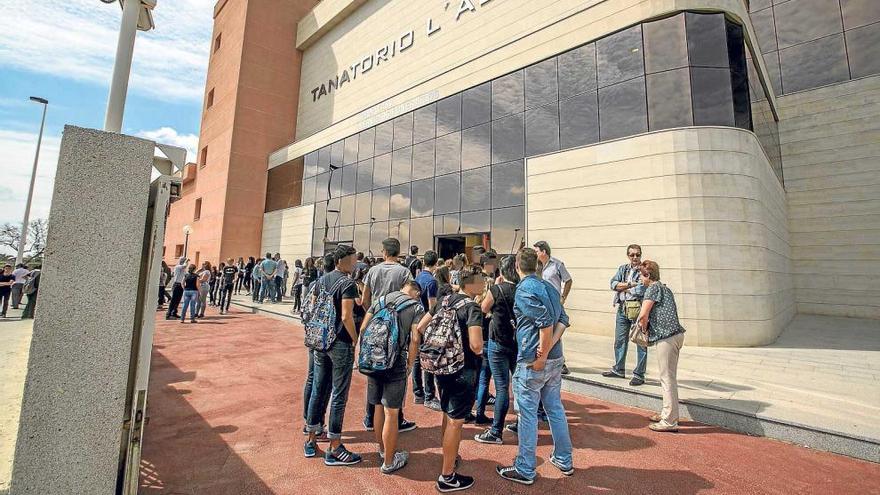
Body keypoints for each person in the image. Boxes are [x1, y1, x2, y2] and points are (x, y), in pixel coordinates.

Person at [496, 247, 573, 485]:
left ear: (518, 265)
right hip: (554, 358)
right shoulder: (550, 287)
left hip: (533, 360)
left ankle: (526, 467)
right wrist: (550, 348)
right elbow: (563, 320)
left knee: (527, 414)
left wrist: (541, 354)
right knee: (554, 409)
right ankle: (563, 458)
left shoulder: (524, 289)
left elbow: (544, 322)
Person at [414, 264, 485, 492]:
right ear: (470, 284)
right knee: (456, 421)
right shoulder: (473, 307)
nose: (484, 284)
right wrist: (482, 350)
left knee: (447, 414)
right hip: (463, 371)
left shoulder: (445, 301)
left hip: (442, 366)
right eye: (481, 280)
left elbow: (421, 326)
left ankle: (450, 457)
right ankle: (447, 476)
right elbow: (475, 345)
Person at [304, 245, 363, 466]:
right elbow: (347, 315)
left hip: (320, 340)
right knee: (339, 394)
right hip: (340, 342)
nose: (355, 262)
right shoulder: (347, 283)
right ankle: (335, 446)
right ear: (343, 260)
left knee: (318, 389)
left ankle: (311, 437)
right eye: (353, 259)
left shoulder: (321, 280)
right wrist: (356, 338)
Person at [361, 280, 425, 474]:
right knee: (392, 412)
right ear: (415, 292)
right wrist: (410, 363)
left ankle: (382, 450)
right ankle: (389, 461)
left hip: (374, 359)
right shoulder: (416, 307)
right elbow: (415, 338)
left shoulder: (381, 300)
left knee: (378, 407)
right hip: (395, 362)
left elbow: (364, 328)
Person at [361, 238, 417, 433]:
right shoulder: (404, 272)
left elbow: (364, 299)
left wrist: (373, 314)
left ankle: (370, 417)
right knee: (396, 372)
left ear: (384, 252)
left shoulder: (372, 270)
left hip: (375, 322)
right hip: (398, 325)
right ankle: (396, 418)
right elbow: (409, 297)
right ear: (398, 252)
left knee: (373, 368)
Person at [475, 255, 520, 445]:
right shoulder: (521, 290)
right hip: (517, 342)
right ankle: (520, 422)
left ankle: (496, 431)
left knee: (502, 387)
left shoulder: (497, 289)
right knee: (519, 386)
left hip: (497, 341)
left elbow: (482, 309)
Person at [638, 260, 686, 432]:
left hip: (666, 337)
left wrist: (643, 330)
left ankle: (669, 421)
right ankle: (668, 413)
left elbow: (643, 314)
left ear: (648, 275)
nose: (640, 279)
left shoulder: (652, 288)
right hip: (676, 335)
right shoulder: (665, 288)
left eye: (641, 275)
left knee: (667, 379)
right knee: (669, 377)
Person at [602, 244, 648, 386]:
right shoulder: (623, 268)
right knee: (620, 340)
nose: (635, 257)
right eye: (632, 255)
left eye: (637, 255)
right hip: (622, 308)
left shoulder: (645, 270)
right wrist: (631, 284)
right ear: (628, 255)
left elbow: (640, 290)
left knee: (640, 342)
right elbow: (612, 284)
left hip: (638, 309)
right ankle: (619, 369)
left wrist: (624, 287)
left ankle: (639, 375)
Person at [533, 241, 573, 375]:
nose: (535, 254)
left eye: (537, 251)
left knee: (557, 331)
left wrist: (563, 297)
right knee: (545, 330)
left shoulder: (557, 264)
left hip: (555, 302)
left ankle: (561, 362)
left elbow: (568, 280)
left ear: (544, 252)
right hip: (542, 302)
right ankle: (544, 356)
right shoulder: (536, 267)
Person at [472, 253, 499, 425]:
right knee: (493, 379)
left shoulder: (474, 304)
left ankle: (476, 411)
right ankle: (481, 413)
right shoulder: (493, 306)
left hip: (478, 340)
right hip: (491, 340)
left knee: (480, 378)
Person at [413, 250, 440, 411]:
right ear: (436, 263)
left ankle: (418, 393)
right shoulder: (432, 281)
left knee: (417, 358)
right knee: (428, 359)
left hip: (415, 321)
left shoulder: (417, 278)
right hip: (426, 322)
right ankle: (429, 395)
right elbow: (432, 306)